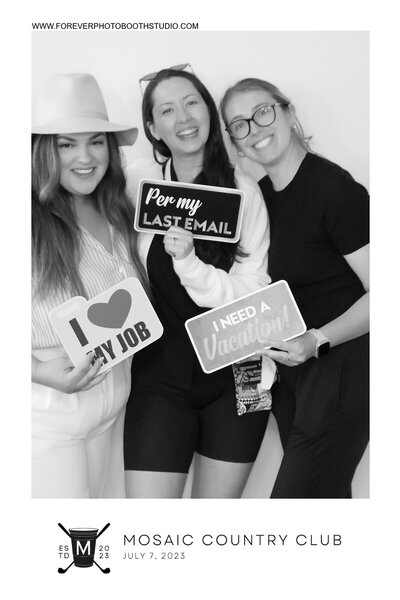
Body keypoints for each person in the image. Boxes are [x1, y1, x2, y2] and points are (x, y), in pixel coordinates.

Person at [123, 67, 275, 498]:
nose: (184, 118)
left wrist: (190, 263)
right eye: (167, 110)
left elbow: (253, 295)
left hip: (242, 374)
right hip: (159, 379)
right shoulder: (137, 185)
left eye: (192, 103)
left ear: (208, 110)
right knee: (150, 535)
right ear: (153, 128)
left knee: (215, 533)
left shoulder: (245, 191)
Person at [220, 78, 369, 498]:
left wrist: (316, 340)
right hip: (291, 376)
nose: (255, 128)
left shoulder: (333, 189)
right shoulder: (259, 197)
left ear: (287, 112)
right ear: (234, 141)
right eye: (239, 125)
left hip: (341, 369)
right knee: (325, 504)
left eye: (263, 112)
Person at [31, 73, 148, 498]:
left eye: (96, 141)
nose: (86, 156)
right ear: (43, 150)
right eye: (66, 144)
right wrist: (38, 372)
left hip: (112, 410)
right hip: (47, 413)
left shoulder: (118, 208)